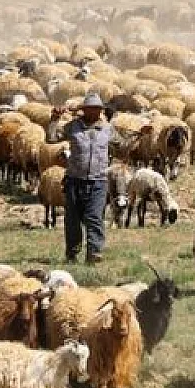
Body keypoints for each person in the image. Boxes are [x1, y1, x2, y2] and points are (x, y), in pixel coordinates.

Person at [63, 92, 112, 263]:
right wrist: (54, 120)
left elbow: (123, 147)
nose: (94, 112)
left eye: (97, 109)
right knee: (73, 220)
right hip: (74, 180)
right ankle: (73, 252)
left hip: (98, 180)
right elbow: (52, 137)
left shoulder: (108, 129)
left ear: (101, 111)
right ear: (84, 110)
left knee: (94, 217)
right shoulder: (72, 127)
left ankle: (95, 252)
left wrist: (141, 136)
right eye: (90, 109)